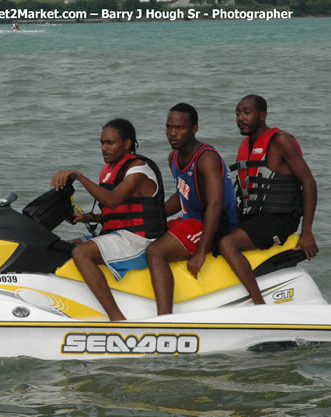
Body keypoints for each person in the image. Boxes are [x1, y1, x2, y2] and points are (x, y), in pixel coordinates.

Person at [51, 118, 166, 321]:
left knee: (81, 253)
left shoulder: (139, 169)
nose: (104, 148)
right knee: (62, 247)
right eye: (102, 143)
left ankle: (116, 318)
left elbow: (113, 201)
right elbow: (118, 213)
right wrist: (85, 217)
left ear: (127, 143)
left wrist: (78, 175)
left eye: (110, 143)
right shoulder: (111, 170)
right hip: (120, 234)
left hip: (141, 239)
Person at [218, 94, 318, 304]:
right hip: (253, 217)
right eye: (237, 113)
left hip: (279, 218)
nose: (240, 118)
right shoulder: (245, 146)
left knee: (228, 244)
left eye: (247, 112)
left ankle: (259, 304)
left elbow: (308, 182)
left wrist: (307, 231)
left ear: (262, 115)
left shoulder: (280, 141)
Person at [145, 103, 239, 316]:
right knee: (146, 233)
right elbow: (183, 195)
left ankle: (164, 318)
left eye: (179, 128)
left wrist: (200, 252)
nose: (172, 133)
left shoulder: (206, 158)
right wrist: (152, 215)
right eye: (169, 127)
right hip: (190, 220)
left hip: (213, 224)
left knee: (155, 252)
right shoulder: (174, 157)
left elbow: (215, 205)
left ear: (194, 128)